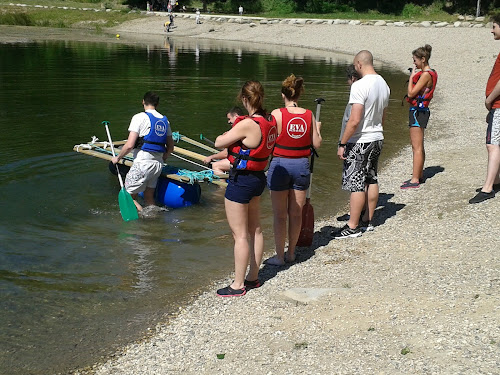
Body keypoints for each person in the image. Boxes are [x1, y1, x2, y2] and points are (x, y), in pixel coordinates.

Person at [214, 81, 277, 297]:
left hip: (241, 181)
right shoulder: (270, 122)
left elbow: (218, 143)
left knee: (239, 234)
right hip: (258, 179)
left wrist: (229, 134)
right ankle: (253, 277)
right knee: (255, 229)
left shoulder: (247, 124)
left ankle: (237, 285)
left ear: (244, 99)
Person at [265, 74, 322, 266]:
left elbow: (267, 141)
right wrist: (318, 129)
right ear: (299, 94)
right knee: (295, 213)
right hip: (301, 166)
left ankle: (279, 257)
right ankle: (291, 253)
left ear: (283, 95)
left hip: (280, 165)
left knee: (280, 215)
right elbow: (317, 144)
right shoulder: (309, 115)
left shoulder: (276, 114)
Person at [333, 50, 390, 238]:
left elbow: (354, 120)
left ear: (358, 64)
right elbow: (383, 116)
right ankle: (368, 220)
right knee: (371, 177)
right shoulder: (383, 84)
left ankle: (353, 226)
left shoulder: (359, 86)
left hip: (361, 139)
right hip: (377, 136)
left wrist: (343, 142)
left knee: (356, 182)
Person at [111, 91, 174, 212]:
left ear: (143, 102)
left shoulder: (139, 117)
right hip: (157, 164)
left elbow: (129, 145)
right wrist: (163, 158)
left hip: (142, 163)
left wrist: (118, 158)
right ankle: (154, 220)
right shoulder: (166, 121)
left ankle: (142, 217)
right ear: (157, 104)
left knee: (127, 197)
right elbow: (170, 148)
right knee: (149, 196)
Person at [469, 15, 500, 204]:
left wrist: (489, 99)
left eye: (494, 26)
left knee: (493, 144)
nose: (492, 30)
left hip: (498, 105)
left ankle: (488, 188)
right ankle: (496, 179)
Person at [401, 44, 438, 189]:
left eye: (415, 60)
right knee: (419, 145)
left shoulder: (425, 75)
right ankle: (419, 174)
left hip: (417, 112)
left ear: (423, 59)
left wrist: (411, 77)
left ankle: (415, 179)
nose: (414, 63)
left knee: (416, 146)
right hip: (422, 111)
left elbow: (411, 93)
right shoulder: (432, 72)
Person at [202, 107, 244, 175]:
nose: (228, 122)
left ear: (236, 116)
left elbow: (225, 153)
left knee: (216, 165)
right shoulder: (247, 125)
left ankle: (222, 185)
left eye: (229, 119)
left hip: (242, 162)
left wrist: (211, 157)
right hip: (250, 161)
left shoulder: (238, 131)